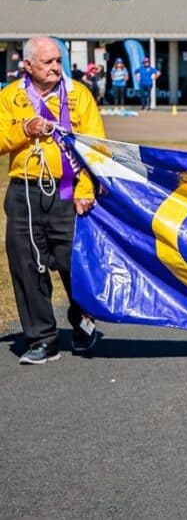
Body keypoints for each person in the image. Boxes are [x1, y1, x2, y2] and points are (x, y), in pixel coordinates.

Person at [0, 36, 105, 364]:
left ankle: (83, 321)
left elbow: (95, 147)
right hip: (24, 191)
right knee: (25, 263)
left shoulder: (78, 95)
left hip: (68, 190)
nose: (57, 68)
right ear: (28, 66)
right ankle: (41, 338)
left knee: (74, 262)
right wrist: (24, 129)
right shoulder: (10, 96)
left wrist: (86, 189)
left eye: (58, 61)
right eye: (48, 62)